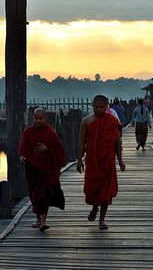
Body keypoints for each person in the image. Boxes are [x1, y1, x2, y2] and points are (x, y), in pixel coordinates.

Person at [77, 95, 126, 230]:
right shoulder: (86, 121)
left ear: (107, 106)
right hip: (92, 160)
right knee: (90, 189)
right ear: (92, 106)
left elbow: (117, 142)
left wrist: (120, 160)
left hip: (107, 160)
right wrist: (79, 160)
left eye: (102, 107)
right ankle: (94, 208)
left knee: (106, 192)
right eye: (96, 107)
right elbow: (81, 142)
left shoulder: (112, 120)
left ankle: (102, 220)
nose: (99, 110)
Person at [19, 108, 66, 231]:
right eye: (36, 118)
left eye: (41, 118)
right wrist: (22, 156)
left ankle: (44, 221)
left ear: (45, 118)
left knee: (44, 194)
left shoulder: (50, 132)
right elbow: (23, 146)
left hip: (46, 169)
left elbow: (59, 150)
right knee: (34, 193)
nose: (38, 120)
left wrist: (47, 148)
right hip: (32, 168)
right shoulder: (28, 132)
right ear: (33, 118)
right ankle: (38, 220)